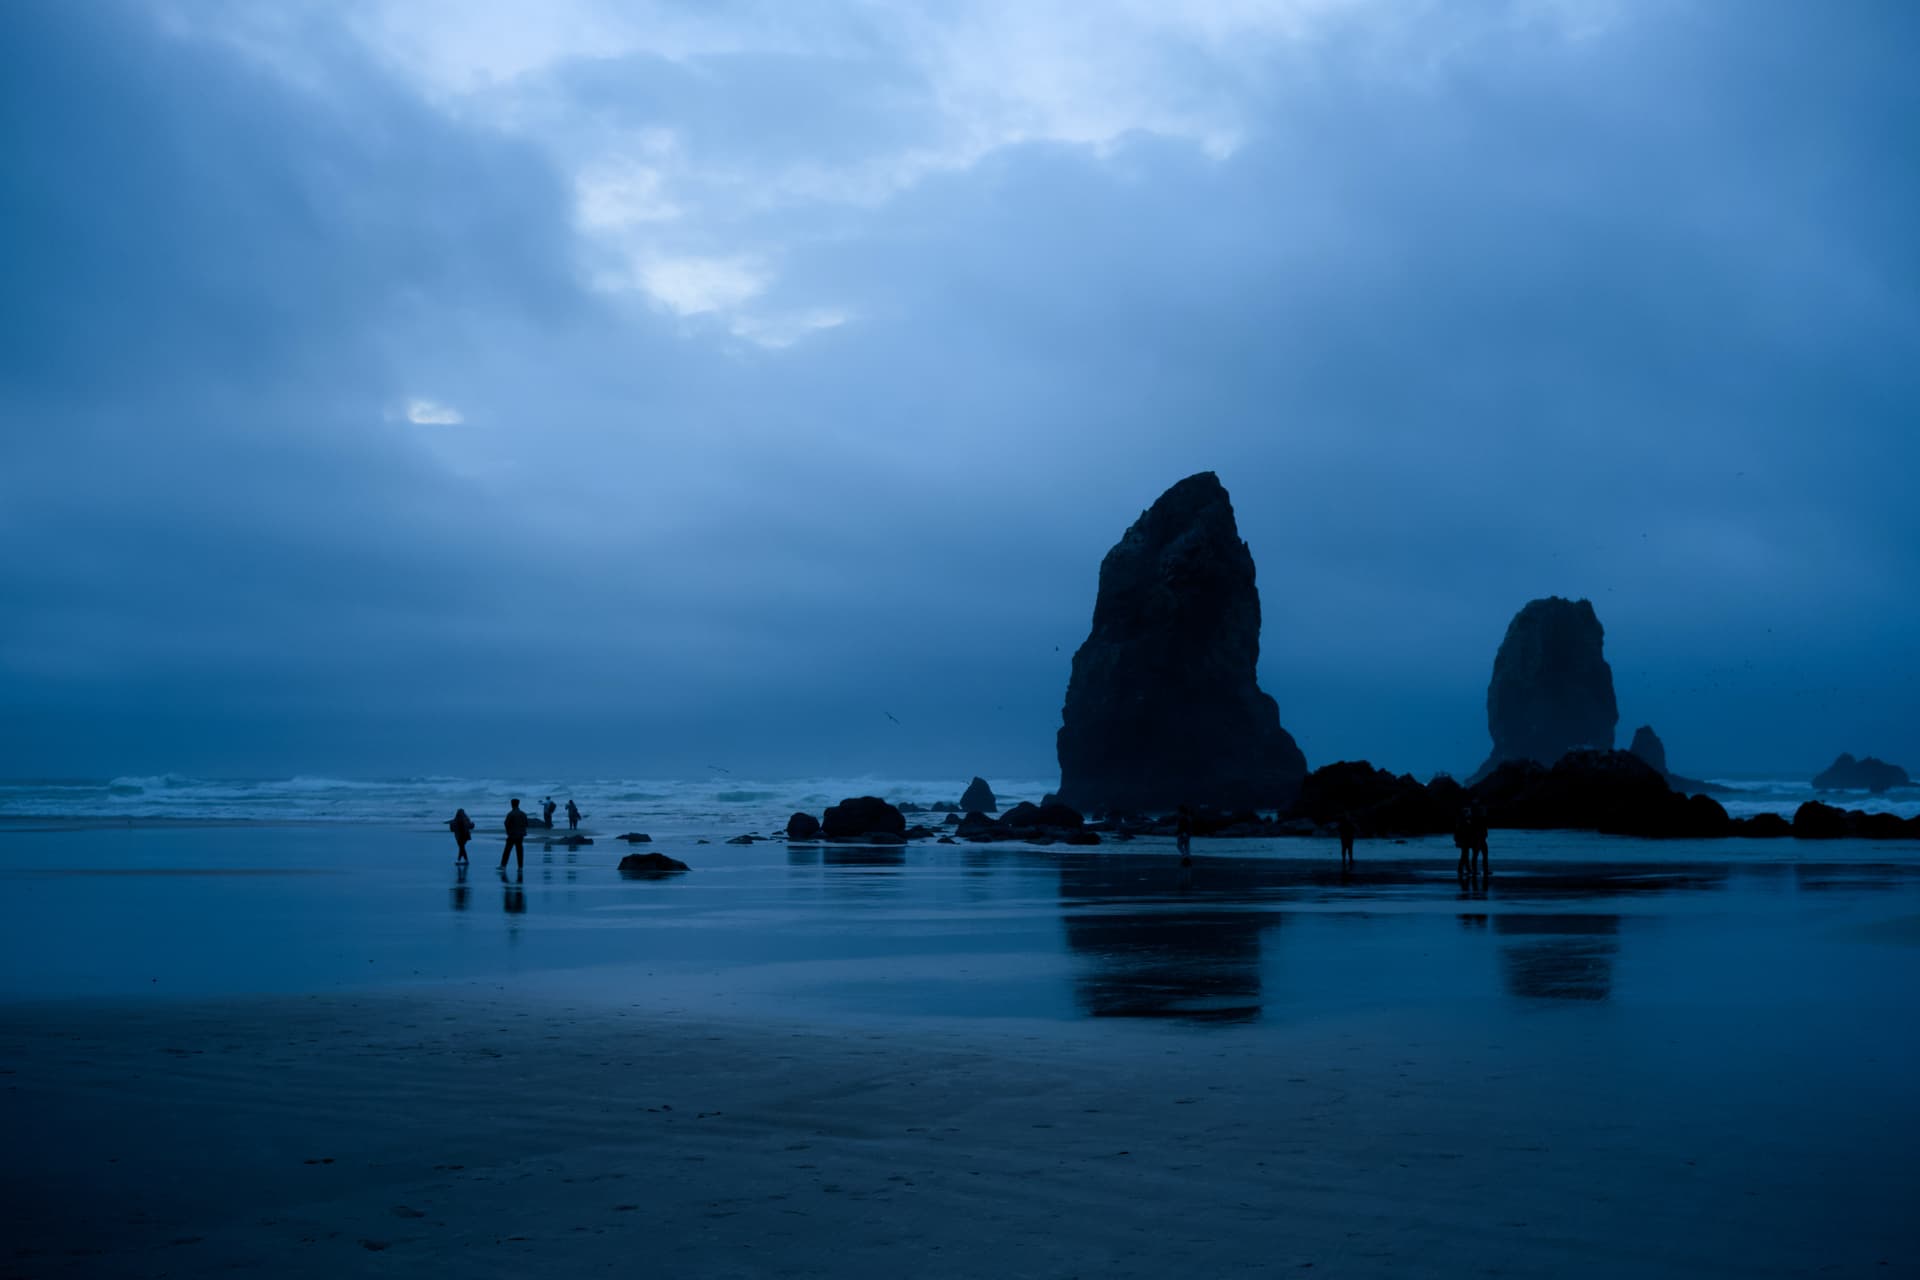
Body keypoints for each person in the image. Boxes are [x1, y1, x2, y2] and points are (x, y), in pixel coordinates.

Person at [500, 798, 530, 871]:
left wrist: (508, 831)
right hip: (520, 835)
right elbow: (526, 824)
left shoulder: (510, 814)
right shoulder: (523, 813)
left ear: (512, 804)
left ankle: (503, 866)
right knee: (519, 851)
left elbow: (506, 823)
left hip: (512, 835)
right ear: (518, 804)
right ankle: (520, 867)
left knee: (507, 851)